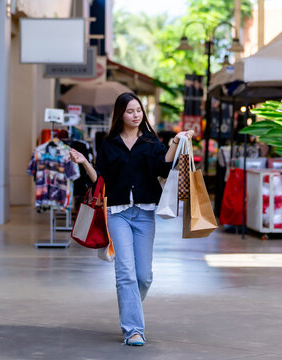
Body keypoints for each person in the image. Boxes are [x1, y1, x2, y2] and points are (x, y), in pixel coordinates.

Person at [69, 92, 193, 346]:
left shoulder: (151, 142)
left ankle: (130, 308)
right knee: (125, 272)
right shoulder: (109, 144)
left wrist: (174, 143)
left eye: (139, 110)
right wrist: (84, 162)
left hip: (145, 214)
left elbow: (162, 168)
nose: (136, 115)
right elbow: (99, 180)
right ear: (120, 115)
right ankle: (133, 330)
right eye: (130, 111)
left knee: (143, 276)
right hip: (118, 213)